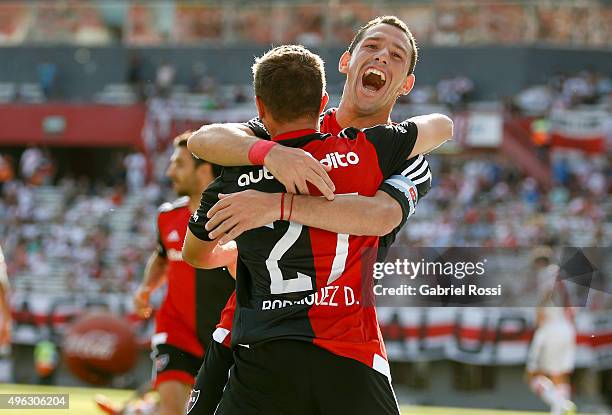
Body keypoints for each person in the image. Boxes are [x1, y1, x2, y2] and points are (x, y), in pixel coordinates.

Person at [185, 16, 450, 414]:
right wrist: (270, 154)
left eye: (396, 55)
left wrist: (274, 204)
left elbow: (380, 216)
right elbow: (205, 139)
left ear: (406, 84)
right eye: (372, 46)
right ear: (347, 61)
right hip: (252, 331)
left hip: (327, 337)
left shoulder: (405, 159)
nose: (382, 57)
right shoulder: (292, 127)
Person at [131, 132, 236, 415]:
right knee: (172, 408)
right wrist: (145, 289)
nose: (169, 172)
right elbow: (162, 256)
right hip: (176, 331)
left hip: (223, 336)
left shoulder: (233, 218)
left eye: (178, 164)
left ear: (203, 170)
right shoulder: (167, 215)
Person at [526, 247, 577, 415]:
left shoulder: (548, 272)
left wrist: (539, 313)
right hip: (567, 328)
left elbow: (546, 294)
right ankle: (558, 411)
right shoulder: (565, 277)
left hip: (551, 327)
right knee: (560, 375)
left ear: (539, 263)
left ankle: (563, 405)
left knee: (532, 375)